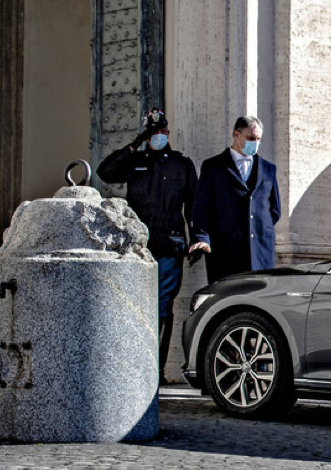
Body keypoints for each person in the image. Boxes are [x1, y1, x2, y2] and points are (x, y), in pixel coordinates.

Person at [97, 109, 197, 386]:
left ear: (168, 133)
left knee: (163, 304)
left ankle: (156, 370)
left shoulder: (181, 165)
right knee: (133, 304)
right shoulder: (136, 161)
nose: (158, 137)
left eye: (162, 132)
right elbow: (105, 172)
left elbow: (193, 205)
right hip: (137, 247)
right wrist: (135, 144)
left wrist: (197, 239)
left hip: (168, 244)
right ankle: (133, 367)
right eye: (153, 133)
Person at [189, 116, 281, 284]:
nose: (255, 142)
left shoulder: (269, 169)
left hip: (260, 250)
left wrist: (259, 228)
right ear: (236, 135)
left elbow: (275, 210)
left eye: (258, 139)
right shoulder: (213, 166)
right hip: (225, 250)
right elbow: (201, 207)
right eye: (250, 138)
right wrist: (201, 237)